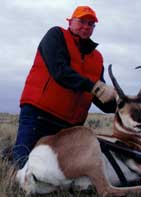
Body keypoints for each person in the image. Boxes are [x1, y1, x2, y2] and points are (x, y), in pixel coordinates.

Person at [12, 6, 117, 169]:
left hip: (69, 127)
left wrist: (121, 104)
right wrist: (96, 87)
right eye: (81, 21)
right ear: (70, 21)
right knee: (23, 165)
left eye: (91, 24)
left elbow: (98, 95)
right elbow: (59, 71)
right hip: (39, 114)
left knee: (58, 172)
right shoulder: (56, 35)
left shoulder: (97, 58)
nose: (86, 26)